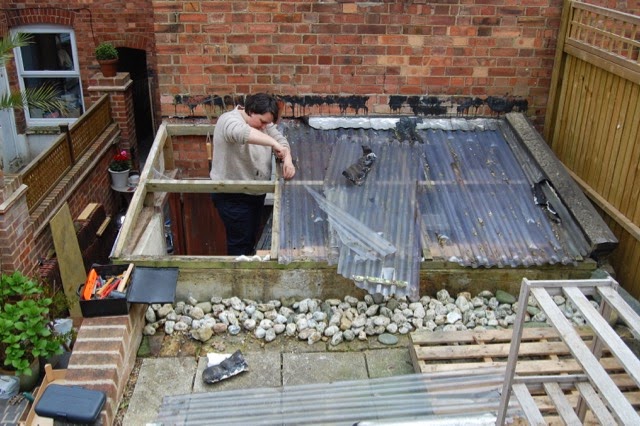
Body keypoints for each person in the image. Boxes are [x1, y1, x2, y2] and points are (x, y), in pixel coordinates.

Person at [210, 93, 296, 255]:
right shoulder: (229, 120)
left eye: (268, 123)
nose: (265, 126)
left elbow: (281, 140)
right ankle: (238, 278)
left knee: (249, 240)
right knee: (240, 245)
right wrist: (273, 143)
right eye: (262, 121)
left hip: (255, 192)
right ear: (250, 111)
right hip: (232, 194)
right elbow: (242, 133)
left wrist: (288, 158)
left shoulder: (264, 124)